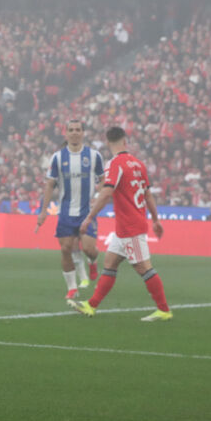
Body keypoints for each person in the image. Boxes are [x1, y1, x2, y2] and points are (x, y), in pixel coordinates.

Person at [70, 126, 172, 322]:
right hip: (129, 226)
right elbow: (148, 194)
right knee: (110, 263)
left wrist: (89, 217)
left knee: (144, 268)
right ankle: (91, 305)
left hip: (129, 227)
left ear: (108, 143)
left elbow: (107, 192)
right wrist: (156, 219)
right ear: (126, 141)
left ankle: (164, 310)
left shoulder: (114, 164)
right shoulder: (138, 164)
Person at [35, 119, 104, 300]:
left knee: (89, 248)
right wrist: (43, 211)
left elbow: (103, 181)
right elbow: (50, 184)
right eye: (71, 130)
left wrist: (100, 199)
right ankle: (72, 287)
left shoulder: (94, 156)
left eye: (78, 130)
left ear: (83, 133)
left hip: (86, 212)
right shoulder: (58, 157)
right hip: (65, 212)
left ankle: (93, 261)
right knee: (66, 249)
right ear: (66, 133)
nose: (74, 133)